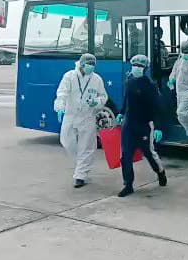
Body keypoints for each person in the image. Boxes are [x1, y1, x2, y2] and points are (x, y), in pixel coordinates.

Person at [116, 54, 167, 197]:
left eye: (140, 66)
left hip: (144, 124)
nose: (136, 68)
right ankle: (128, 184)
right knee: (125, 155)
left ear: (145, 69)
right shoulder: (129, 80)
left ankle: (160, 172)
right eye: (135, 65)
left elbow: (158, 107)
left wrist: (158, 127)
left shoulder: (150, 85)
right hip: (129, 124)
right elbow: (126, 99)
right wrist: (121, 113)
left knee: (149, 153)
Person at [54, 53, 108, 188]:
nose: (91, 67)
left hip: (87, 116)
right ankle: (80, 165)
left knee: (87, 146)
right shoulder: (70, 76)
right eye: (89, 64)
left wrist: (96, 102)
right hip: (70, 115)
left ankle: (80, 175)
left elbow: (103, 96)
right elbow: (62, 93)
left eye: (93, 65)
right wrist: (60, 107)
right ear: (82, 64)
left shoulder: (97, 79)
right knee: (67, 142)